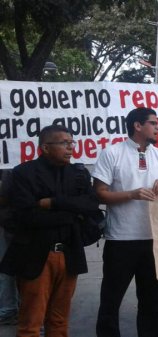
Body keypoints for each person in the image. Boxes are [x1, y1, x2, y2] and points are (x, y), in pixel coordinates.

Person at [0, 125, 99, 336]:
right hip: (35, 255)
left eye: (72, 142)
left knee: (59, 322)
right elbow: (27, 216)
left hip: (70, 252)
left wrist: (53, 203)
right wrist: (72, 213)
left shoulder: (78, 173)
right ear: (45, 147)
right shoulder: (23, 173)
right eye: (64, 143)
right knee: (31, 323)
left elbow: (91, 206)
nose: (71, 147)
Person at [93, 107, 158, 337]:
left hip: (153, 240)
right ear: (137, 126)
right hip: (121, 240)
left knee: (151, 302)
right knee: (111, 300)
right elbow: (100, 193)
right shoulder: (112, 153)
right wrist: (132, 194)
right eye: (154, 123)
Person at [0, 170, 18, 326]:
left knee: (7, 270)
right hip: (8, 223)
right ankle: (9, 308)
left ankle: (9, 309)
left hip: (13, 223)